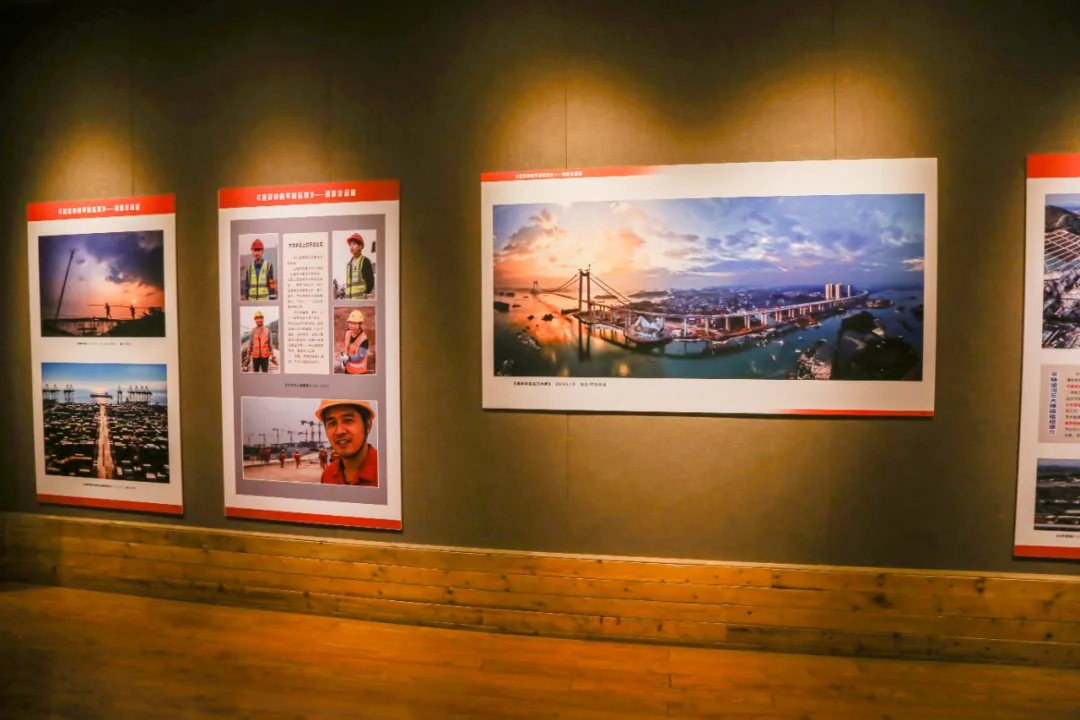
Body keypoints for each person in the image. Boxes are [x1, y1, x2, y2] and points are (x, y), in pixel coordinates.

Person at [315, 400, 378, 486]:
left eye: (348, 420)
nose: (339, 431)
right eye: (332, 423)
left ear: (368, 426)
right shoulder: (328, 475)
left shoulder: (388, 473)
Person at [339, 310, 371, 374]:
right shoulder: (348, 333)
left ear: (360, 324)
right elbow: (348, 347)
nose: (352, 326)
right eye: (351, 323)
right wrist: (343, 356)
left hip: (358, 372)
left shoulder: (364, 339)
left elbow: (360, 357)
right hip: (348, 368)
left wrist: (347, 358)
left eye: (355, 323)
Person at [344, 233, 375, 299]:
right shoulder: (348, 264)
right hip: (348, 301)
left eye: (354, 244)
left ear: (360, 246)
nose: (351, 247)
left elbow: (370, 283)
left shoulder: (365, 261)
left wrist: (363, 296)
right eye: (350, 244)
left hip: (360, 301)